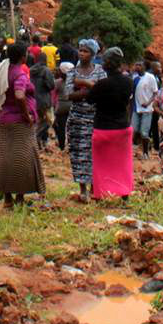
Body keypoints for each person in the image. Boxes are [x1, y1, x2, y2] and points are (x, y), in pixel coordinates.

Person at [0, 42, 45, 207]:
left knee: (5, 157)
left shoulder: (2, 71)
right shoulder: (20, 74)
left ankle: (7, 198)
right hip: (20, 122)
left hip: (5, 119)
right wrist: (26, 115)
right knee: (22, 159)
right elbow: (20, 95)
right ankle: (19, 198)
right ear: (23, 57)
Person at [88, 48, 136, 201]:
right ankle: (124, 194)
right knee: (123, 164)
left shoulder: (102, 84)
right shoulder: (129, 82)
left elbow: (89, 99)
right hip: (123, 127)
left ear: (107, 64)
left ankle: (101, 193)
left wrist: (88, 85)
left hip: (103, 128)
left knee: (101, 164)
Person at [65, 39, 106, 202]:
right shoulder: (72, 72)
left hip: (95, 118)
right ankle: (83, 189)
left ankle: (95, 187)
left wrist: (81, 85)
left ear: (93, 54)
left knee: (95, 153)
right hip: (77, 119)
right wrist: (88, 86)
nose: (81, 53)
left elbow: (102, 93)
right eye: (80, 50)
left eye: (85, 51)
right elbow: (69, 95)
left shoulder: (100, 71)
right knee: (78, 153)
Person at [132, 62, 160, 159]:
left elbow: (155, 92)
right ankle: (134, 149)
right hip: (136, 108)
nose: (137, 67)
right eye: (136, 65)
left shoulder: (150, 77)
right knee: (134, 129)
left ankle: (145, 152)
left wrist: (148, 103)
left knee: (144, 132)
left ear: (144, 66)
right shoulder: (134, 78)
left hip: (147, 109)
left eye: (139, 65)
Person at [30, 52, 56, 148]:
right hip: (44, 99)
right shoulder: (46, 70)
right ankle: (36, 136)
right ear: (45, 60)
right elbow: (51, 85)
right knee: (49, 120)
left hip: (34, 98)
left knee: (40, 120)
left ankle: (42, 143)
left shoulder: (31, 70)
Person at [53, 62, 74, 150]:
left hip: (61, 107)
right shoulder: (75, 82)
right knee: (72, 127)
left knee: (60, 127)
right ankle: (71, 145)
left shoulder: (57, 82)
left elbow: (53, 95)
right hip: (73, 106)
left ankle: (62, 146)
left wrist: (53, 106)